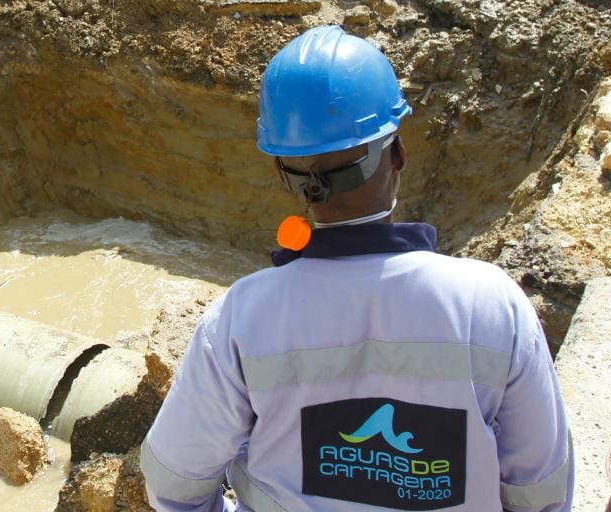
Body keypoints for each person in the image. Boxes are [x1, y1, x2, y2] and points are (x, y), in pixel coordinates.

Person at [141, 25, 573, 512]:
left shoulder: (242, 318)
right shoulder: (492, 304)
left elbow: (174, 485)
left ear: (282, 173)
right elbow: (541, 493)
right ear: (399, 154)